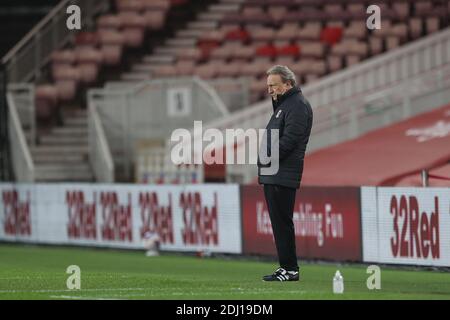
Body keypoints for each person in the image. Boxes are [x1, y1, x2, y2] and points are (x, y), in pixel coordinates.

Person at [257, 65, 313, 282]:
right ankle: (286, 267)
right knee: (279, 223)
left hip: (282, 173)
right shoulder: (286, 105)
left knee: (282, 223)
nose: (270, 90)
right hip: (276, 173)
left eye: (274, 85)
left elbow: (290, 140)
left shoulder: (297, 105)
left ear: (288, 84)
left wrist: (268, 158)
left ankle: (290, 269)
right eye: (268, 86)